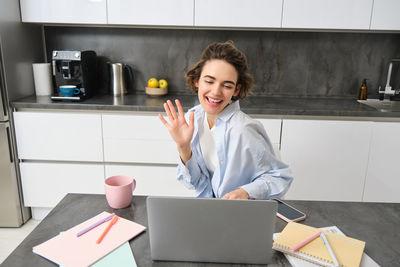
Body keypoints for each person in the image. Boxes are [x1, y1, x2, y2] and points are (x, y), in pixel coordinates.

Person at [158, 41, 293, 200]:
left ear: (236, 90)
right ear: (197, 81)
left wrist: (246, 192)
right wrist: (183, 147)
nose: (215, 92)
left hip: (242, 213)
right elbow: (198, 184)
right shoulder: (195, 118)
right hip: (212, 210)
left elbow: (280, 177)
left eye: (227, 86)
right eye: (209, 81)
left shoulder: (243, 129)